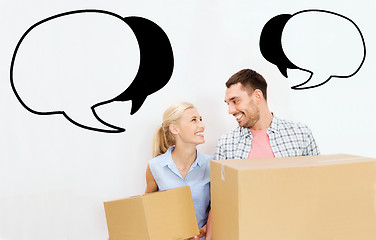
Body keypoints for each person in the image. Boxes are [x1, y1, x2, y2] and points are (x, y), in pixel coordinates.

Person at [215, 69, 319, 160]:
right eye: (228, 103)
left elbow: (318, 177)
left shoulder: (300, 134)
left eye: (235, 101)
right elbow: (221, 183)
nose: (230, 110)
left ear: (257, 96)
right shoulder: (226, 144)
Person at [146, 102, 212, 240]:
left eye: (200, 119)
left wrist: (205, 230)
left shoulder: (212, 165)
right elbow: (147, 210)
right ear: (175, 129)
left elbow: (219, 208)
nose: (202, 125)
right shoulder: (155, 167)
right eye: (194, 120)